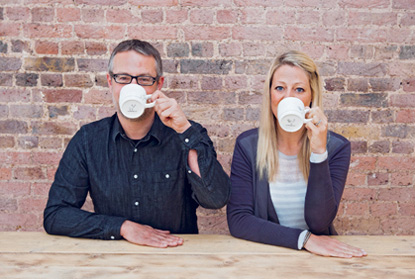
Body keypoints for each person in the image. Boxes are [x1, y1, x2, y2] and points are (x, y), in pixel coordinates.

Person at [44, 39, 230, 248]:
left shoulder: (186, 133)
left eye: (143, 79)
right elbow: (57, 214)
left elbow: (216, 200)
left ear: (158, 84)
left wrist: (185, 131)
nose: (133, 87)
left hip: (175, 256)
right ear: (110, 81)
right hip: (113, 259)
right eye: (123, 78)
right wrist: (122, 227)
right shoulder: (89, 140)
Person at [226, 50, 367, 258]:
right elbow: (239, 220)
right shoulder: (248, 146)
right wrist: (304, 240)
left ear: (311, 96)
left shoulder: (337, 147)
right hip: (266, 256)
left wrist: (319, 152)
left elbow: (319, 223)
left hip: (318, 259)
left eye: (299, 89)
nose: (288, 97)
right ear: (270, 94)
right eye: (280, 88)